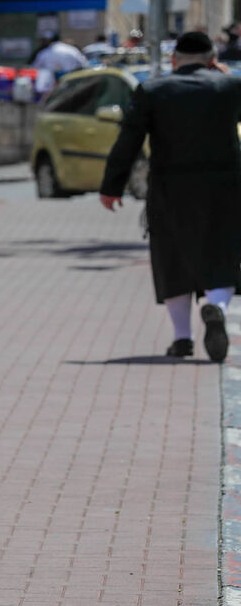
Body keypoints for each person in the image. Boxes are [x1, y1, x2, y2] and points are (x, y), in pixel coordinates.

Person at [99, 31, 241, 361]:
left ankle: (182, 339)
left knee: (172, 256)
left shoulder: (152, 90)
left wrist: (111, 186)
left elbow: (128, 141)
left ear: (174, 60)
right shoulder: (232, 87)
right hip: (226, 186)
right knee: (224, 252)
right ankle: (216, 307)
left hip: (170, 187)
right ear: (212, 61)